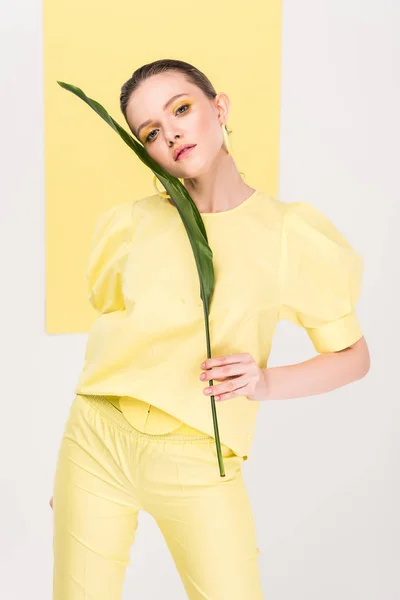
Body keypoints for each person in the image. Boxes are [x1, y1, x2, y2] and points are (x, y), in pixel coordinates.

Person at [51, 59, 370, 599]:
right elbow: (113, 330)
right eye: (150, 132)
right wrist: (71, 475)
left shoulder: (288, 232)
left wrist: (263, 383)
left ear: (218, 108)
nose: (170, 132)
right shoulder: (131, 223)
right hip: (95, 440)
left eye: (181, 109)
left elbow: (354, 357)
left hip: (199, 455)